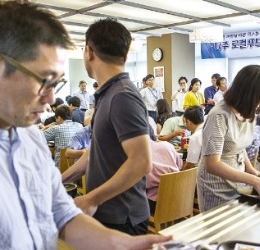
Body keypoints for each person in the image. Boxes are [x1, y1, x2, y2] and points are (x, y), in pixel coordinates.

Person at [0, 1, 169, 249]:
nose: (52, 99)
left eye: (56, 84)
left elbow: (61, 214)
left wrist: (120, 243)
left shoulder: (30, 137)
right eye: (44, 80)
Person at [61, 18, 158, 235]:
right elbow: (95, 151)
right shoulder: (109, 93)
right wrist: (61, 180)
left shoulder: (122, 95)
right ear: (125, 54)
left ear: (89, 51)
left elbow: (142, 162)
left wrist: (92, 198)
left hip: (122, 218)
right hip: (106, 213)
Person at [197, 65, 260, 212]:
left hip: (237, 178)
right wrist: (252, 179)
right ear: (248, 93)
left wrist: (251, 169)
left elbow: (238, 145)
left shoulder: (248, 112)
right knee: (218, 229)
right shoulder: (219, 115)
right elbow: (212, 164)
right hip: (215, 184)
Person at [146, 139, 183, 215]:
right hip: (180, 197)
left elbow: (143, 184)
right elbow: (180, 165)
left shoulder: (140, 153)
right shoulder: (167, 145)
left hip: (157, 202)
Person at [183, 106, 205, 170]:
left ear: (189, 122)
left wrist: (181, 172)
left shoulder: (195, 137)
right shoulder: (210, 129)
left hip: (201, 173)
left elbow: (190, 164)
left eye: (185, 122)